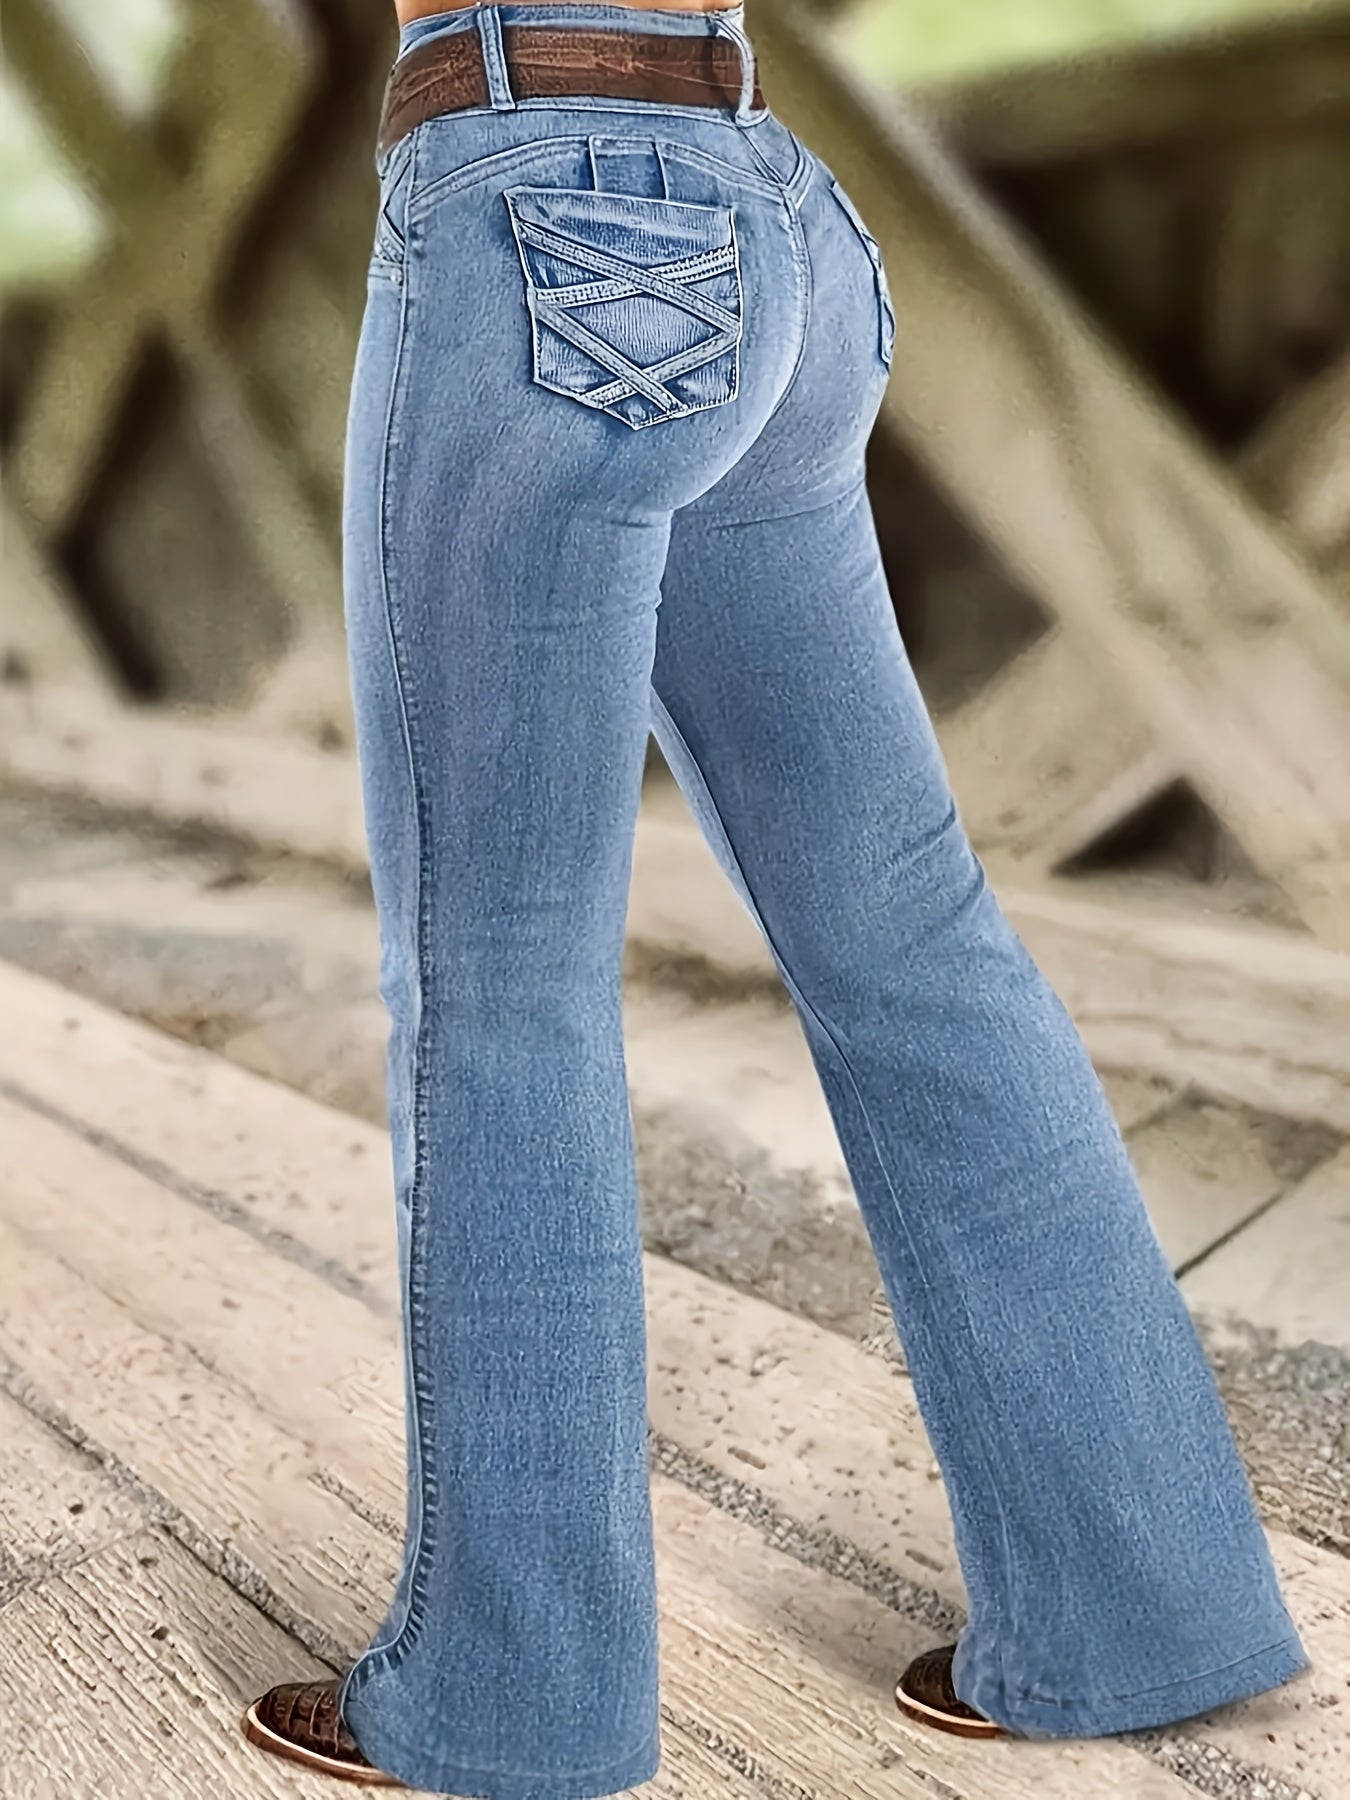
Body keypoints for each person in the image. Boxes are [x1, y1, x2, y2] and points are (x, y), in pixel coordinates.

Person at [240, 1, 1310, 1792]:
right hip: (770, 215)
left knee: (500, 985)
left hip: (537, 193)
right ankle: (1137, 1608)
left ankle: (509, 1691)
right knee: (914, 944)